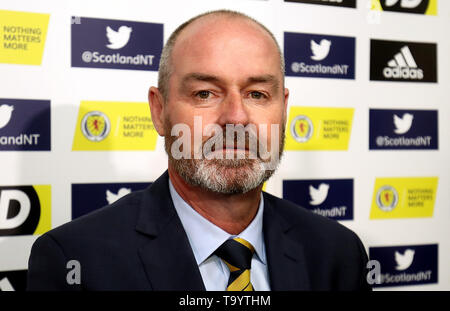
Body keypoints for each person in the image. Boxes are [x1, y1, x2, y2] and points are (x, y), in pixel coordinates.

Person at [27, 10, 371, 291]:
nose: (236, 117)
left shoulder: (338, 253)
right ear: (159, 111)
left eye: (257, 94)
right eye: (205, 93)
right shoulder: (75, 260)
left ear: (283, 110)